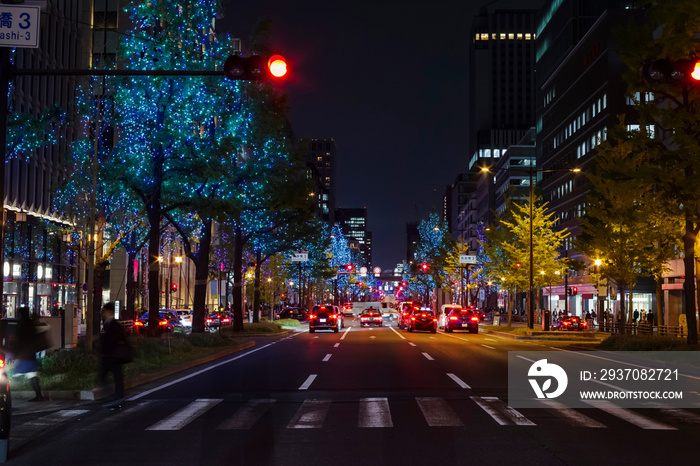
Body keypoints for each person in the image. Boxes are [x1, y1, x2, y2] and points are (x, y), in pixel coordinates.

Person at [99, 302, 129, 404]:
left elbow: (111, 340)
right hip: (114, 355)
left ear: (108, 312)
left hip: (112, 355)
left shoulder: (113, 324)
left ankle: (113, 394)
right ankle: (117, 394)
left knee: (105, 375)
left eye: (104, 311)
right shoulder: (112, 323)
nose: (103, 314)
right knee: (116, 375)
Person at [14, 307, 44, 401]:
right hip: (29, 355)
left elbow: (20, 341)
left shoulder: (23, 325)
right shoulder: (30, 324)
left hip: (25, 355)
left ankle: (12, 393)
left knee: (16, 374)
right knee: (31, 375)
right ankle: (39, 395)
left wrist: (16, 352)